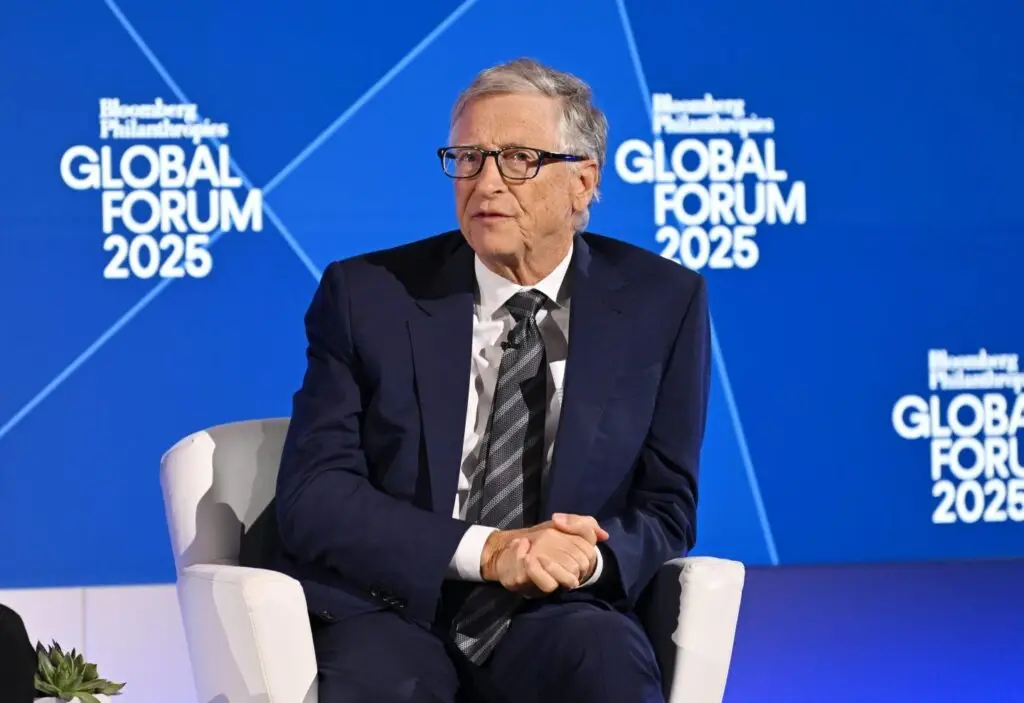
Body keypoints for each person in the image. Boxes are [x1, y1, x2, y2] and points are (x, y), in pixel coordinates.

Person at [270, 57, 711, 703]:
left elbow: (666, 502)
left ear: (583, 181)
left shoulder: (661, 302)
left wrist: (586, 557)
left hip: (558, 606)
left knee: (606, 662)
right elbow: (314, 494)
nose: (486, 183)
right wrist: (488, 549)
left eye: (519, 159)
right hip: (396, 603)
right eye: (469, 158)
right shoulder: (369, 296)